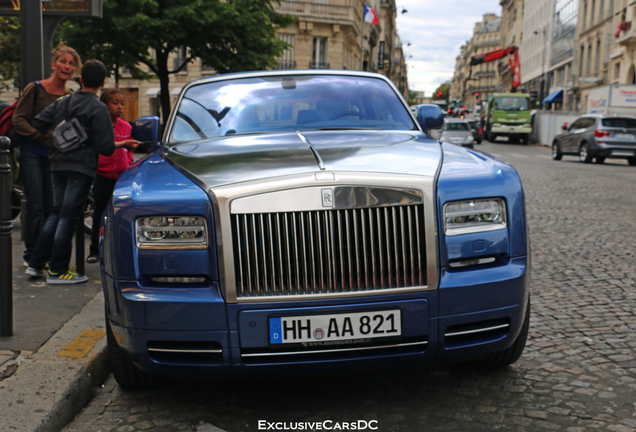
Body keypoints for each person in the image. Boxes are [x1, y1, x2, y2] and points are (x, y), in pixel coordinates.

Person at [25, 59, 119, 284]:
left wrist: (60, 136)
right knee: (67, 218)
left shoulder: (64, 101)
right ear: (103, 83)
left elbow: (39, 122)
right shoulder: (99, 109)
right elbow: (106, 147)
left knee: (55, 214)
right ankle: (57, 270)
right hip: (81, 167)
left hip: (57, 163)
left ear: (80, 79)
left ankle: (36, 263)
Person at [12, 43, 81, 266]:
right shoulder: (36, 89)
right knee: (36, 205)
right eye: (63, 61)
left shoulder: (71, 97)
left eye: (71, 63)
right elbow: (18, 119)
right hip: (32, 153)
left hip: (55, 157)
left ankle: (46, 254)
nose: (67, 66)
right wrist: (39, 135)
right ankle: (31, 255)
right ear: (54, 64)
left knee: (53, 208)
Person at [87, 88, 139, 263]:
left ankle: (120, 251)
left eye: (122, 103)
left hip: (121, 177)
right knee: (100, 213)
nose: (119, 107)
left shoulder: (126, 127)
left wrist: (129, 160)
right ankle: (94, 250)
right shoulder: (100, 126)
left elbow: (129, 151)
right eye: (115, 103)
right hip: (102, 175)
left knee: (122, 214)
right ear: (104, 105)